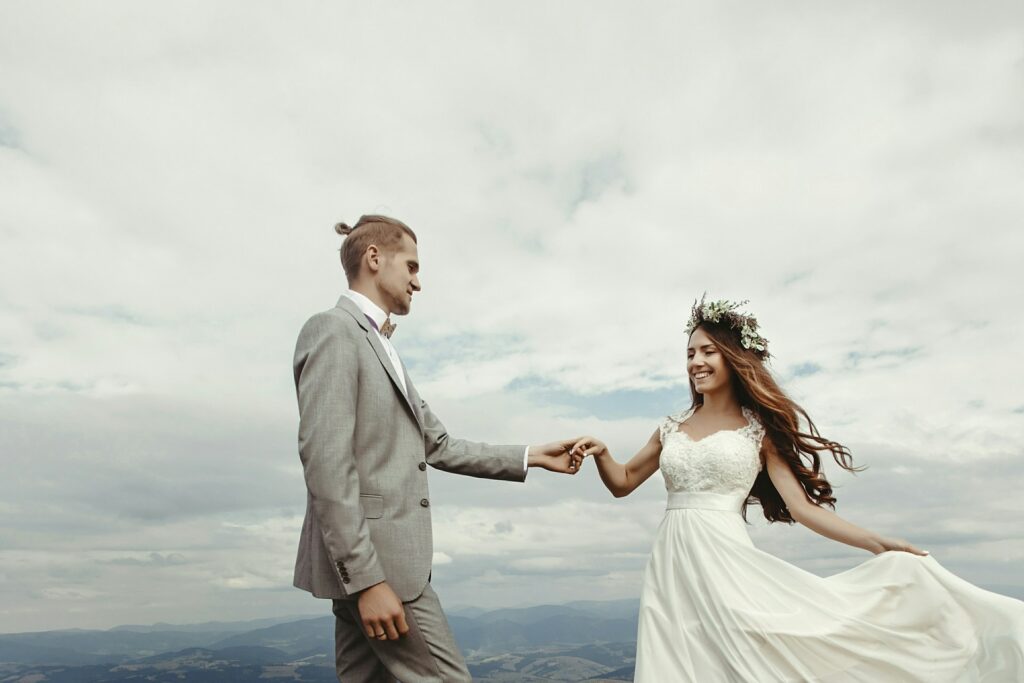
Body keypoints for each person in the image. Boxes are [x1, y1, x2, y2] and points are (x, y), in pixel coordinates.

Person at [571, 296, 1024, 681]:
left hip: (727, 562)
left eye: (707, 352)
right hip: (672, 563)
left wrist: (878, 543)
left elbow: (804, 509)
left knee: (758, 656)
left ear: (734, 357)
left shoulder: (758, 431)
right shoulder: (670, 428)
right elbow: (624, 483)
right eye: (690, 354)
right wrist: (602, 453)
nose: (695, 363)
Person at [292, 214, 580, 682]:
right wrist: (367, 581)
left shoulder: (382, 347)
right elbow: (326, 463)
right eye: (411, 266)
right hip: (379, 568)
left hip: (373, 567)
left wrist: (531, 455)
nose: (417, 282)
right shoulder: (332, 331)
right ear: (374, 258)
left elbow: (439, 444)